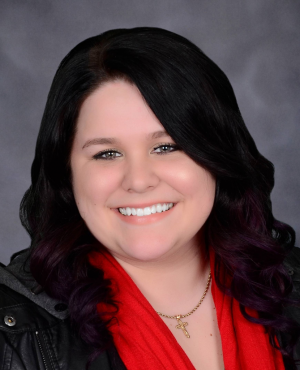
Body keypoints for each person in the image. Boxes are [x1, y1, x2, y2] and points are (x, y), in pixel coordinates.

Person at [0, 27, 299, 370]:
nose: (139, 181)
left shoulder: (291, 289)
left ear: (218, 156)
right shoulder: (12, 336)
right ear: (66, 172)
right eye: (107, 154)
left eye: (166, 147)